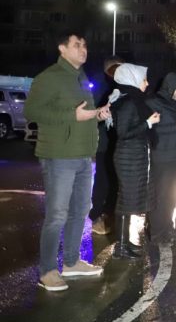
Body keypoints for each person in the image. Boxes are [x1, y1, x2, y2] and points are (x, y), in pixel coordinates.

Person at [25, 32, 111, 291]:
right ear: (62, 48)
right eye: (77, 45)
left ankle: (72, 263)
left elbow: (81, 115)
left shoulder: (81, 78)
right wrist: (71, 115)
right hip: (59, 157)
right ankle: (48, 270)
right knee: (57, 215)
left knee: (80, 211)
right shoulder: (49, 77)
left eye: (85, 45)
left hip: (84, 156)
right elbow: (32, 111)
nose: (83, 49)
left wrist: (97, 114)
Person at [107, 64, 160, 259]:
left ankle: (123, 242)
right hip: (127, 157)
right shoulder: (128, 101)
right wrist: (148, 123)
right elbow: (123, 133)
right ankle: (120, 247)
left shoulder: (134, 100)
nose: (147, 83)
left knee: (127, 200)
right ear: (132, 79)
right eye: (144, 79)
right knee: (125, 201)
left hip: (135, 156)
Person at [145, 72, 176, 245]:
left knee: (173, 195)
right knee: (161, 195)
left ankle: (168, 227)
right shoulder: (154, 102)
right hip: (163, 156)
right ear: (169, 86)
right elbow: (150, 129)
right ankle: (157, 232)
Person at [89, 56, 122, 235]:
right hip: (105, 143)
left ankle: (107, 215)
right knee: (103, 180)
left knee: (112, 181)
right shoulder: (103, 88)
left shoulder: (115, 87)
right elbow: (95, 114)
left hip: (114, 142)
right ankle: (97, 216)